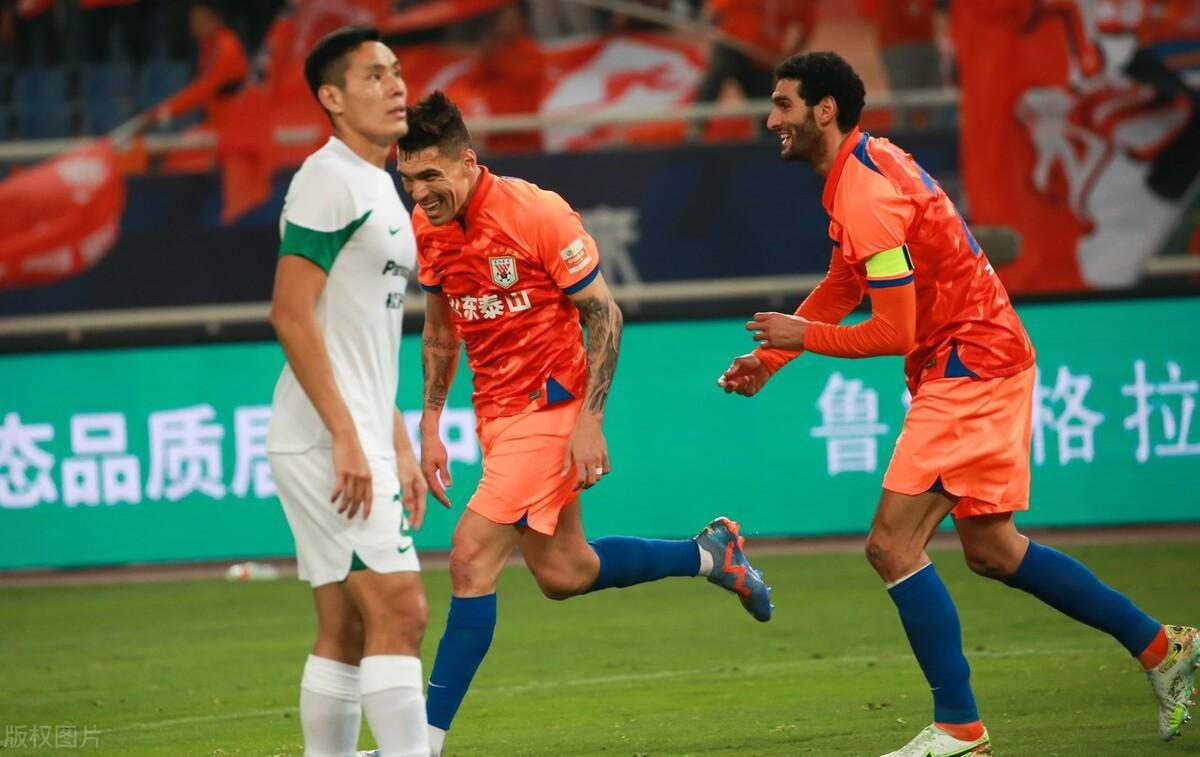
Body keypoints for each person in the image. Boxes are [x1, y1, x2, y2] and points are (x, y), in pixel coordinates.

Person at [719, 50, 1199, 757]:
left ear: (825, 109)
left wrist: (801, 337)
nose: (771, 120)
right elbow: (846, 284)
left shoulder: (866, 193)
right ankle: (1163, 646)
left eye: (784, 104)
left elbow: (894, 331)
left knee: (892, 544)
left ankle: (960, 729)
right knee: (994, 550)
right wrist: (770, 358)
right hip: (983, 357)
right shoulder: (866, 165)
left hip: (969, 366)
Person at [397, 91, 773, 757]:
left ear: (468, 162)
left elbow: (604, 314)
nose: (421, 193)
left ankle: (421, 744)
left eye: (431, 176)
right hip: (498, 417)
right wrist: (430, 423)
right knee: (565, 572)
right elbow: (439, 330)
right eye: (408, 179)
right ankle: (711, 554)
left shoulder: (535, 212)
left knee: (470, 555)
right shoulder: (428, 227)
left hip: (553, 407)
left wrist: (589, 419)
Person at [266, 26, 430, 757]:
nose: (396, 86)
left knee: (349, 623)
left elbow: (360, 342)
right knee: (403, 608)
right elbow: (290, 312)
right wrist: (346, 435)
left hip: (354, 429)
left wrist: (397, 445)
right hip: (326, 435)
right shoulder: (328, 178)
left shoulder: (378, 185)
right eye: (374, 76)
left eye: (396, 72)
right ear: (331, 98)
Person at [150, 0, 248, 131]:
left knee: (187, 140)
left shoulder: (227, 48)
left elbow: (203, 89)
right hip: (217, 123)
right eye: (192, 20)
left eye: (201, 20)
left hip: (233, 125)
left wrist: (164, 111)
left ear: (216, 19)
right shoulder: (207, 46)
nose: (194, 26)